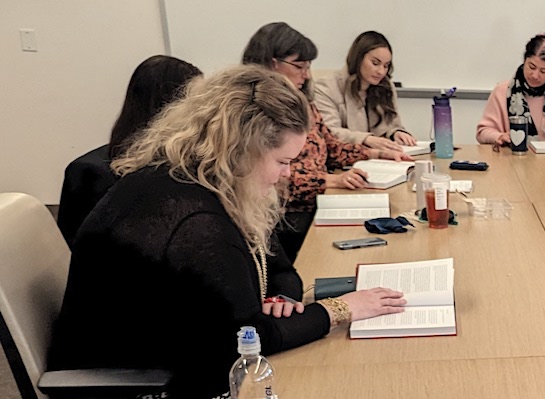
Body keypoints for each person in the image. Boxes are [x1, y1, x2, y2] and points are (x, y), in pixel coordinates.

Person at [46, 65, 408, 398]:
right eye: (283, 162)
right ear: (241, 150)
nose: (287, 175)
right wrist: (342, 308)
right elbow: (247, 338)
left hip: (183, 347)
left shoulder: (211, 182)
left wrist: (282, 298)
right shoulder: (195, 221)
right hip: (145, 382)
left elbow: (278, 265)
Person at [242, 22, 411, 260]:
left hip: (319, 203)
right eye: (299, 66)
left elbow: (331, 146)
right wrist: (332, 179)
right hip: (285, 220)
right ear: (272, 63)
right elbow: (271, 178)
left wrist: (376, 154)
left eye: (308, 66)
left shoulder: (302, 101)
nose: (307, 74)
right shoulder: (255, 111)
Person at [57, 55, 201, 248]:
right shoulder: (91, 173)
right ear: (167, 108)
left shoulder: (187, 166)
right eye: (196, 103)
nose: (203, 113)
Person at [313, 31, 416, 151]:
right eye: (375, 63)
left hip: (382, 159)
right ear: (358, 58)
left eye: (386, 65)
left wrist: (396, 133)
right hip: (343, 162)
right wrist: (366, 139)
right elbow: (329, 132)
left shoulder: (386, 87)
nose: (381, 72)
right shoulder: (327, 87)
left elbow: (393, 125)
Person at [476, 34, 545, 146]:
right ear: (524, 60)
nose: (535, 75)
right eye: (531, 67)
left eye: (543, 71)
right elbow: (482, 133)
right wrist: (499, 136)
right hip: (514, 160)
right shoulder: (502, 91)